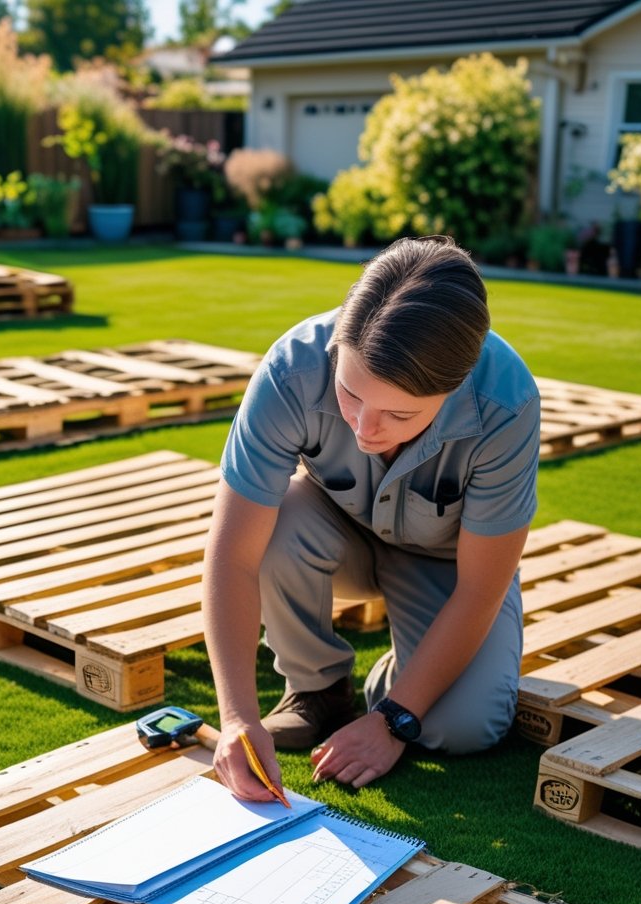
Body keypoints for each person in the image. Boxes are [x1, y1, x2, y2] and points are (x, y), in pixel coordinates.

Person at [202, 235, 539, 801]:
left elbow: (482, 588)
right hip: (335, 534)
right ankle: (317, 689)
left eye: (399, 414)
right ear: (340, 344)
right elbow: (232, 556)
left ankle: (396, 675)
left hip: (446, 562)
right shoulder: (290, 369)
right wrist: (236, 716)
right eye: (350, 395)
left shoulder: (507, 404)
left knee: (466, 727)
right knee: (273, 522)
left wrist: (394, 718)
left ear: (455, 386)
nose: (364, 429)